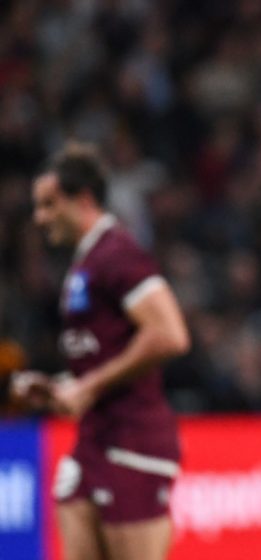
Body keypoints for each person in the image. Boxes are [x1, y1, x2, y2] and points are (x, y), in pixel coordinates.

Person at [8, 143, 190, 560]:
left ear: (83, 199)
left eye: (49, 205)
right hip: (94, 439)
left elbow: (171, 334)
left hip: (134, 442)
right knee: (67, 501)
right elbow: (103, 355)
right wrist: (61, 387)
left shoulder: (118, 254)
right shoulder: (85, 262)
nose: (40, 218)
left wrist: (87, 385)